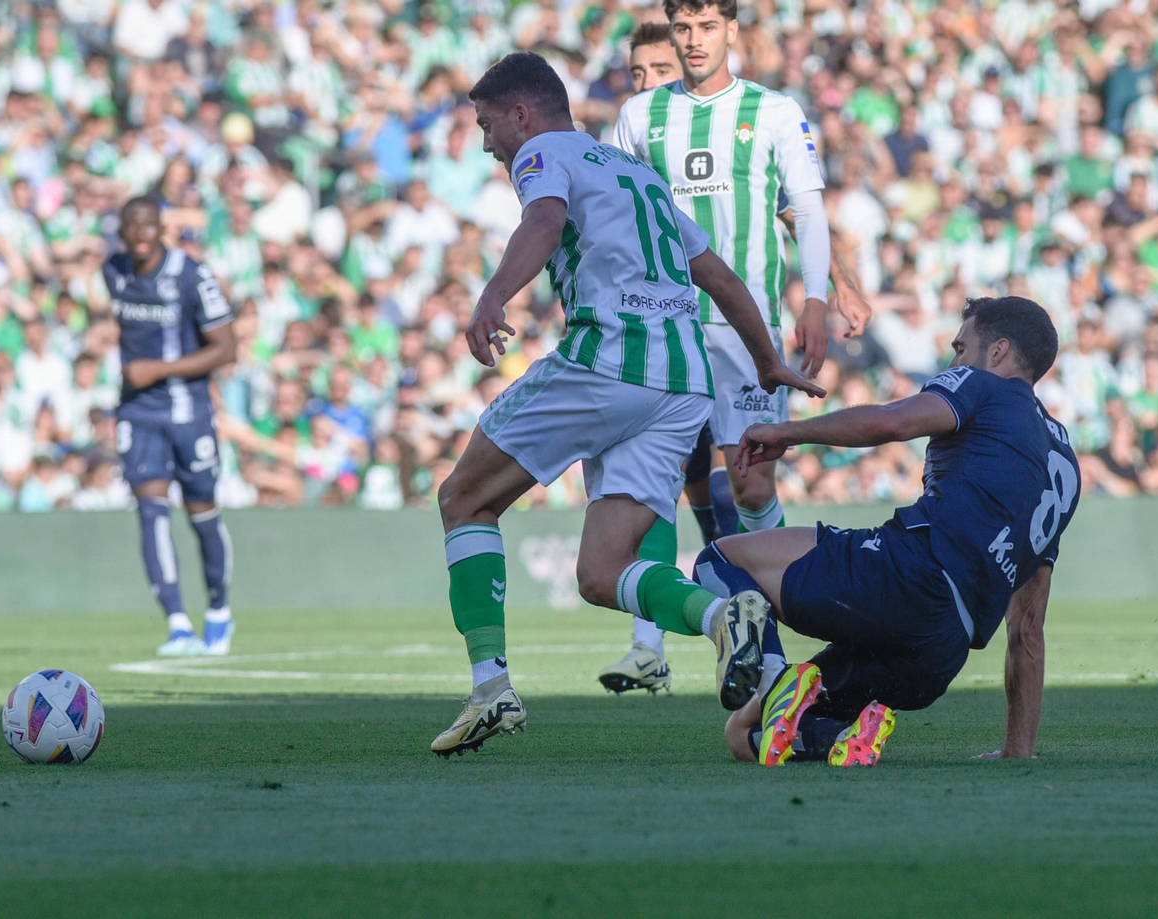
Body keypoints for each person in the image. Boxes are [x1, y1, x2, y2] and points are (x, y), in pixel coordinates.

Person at [431, 52, 823, 757]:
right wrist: (766, 360)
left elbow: (544, 220)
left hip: (609, 358)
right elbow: (718, 277)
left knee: (464, 497)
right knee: (602, 571)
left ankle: (491, 686)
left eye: (488, 125)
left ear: (521, 113)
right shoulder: (637, 172)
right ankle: (726, 617)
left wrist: (492, 296)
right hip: (683, 381)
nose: (489, 144)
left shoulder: (543, 153)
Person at [600, 4, 871, 694]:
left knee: (752, 483)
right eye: (683, 28)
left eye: (707, 28)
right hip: (663, 326)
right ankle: (732, 655)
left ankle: (771, 636)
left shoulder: (773, 111)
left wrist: (817, 297)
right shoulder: (638, 116)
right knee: (656, 481)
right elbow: (614, 212)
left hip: (745, 332)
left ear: (731, 31)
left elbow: (806, 207)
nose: (694, 41)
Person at [683, 297, 1078, 767]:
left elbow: (892, 422)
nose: (954, 361)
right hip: (939, 655)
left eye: (960, 348)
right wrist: (1017, 750)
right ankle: (840, 737)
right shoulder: (1065, 464)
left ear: (998, 351)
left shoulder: (982, 384)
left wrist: (787, 433)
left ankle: (773, 678)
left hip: (906, 579)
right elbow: (1028, 626)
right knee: (743, 733)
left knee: (719, 560)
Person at [105, 196, 239, 657]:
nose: (140, 234)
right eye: (132, 225)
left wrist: (157, 370)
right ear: (122, 231)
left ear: (161, 228)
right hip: (139, 412)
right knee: (151, 510)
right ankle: (178, 624)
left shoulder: (191, 274)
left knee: (202, 514)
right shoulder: (113, 271)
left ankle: (219, 610)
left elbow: (226, 348)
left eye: (148, 225)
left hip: (188, 412)